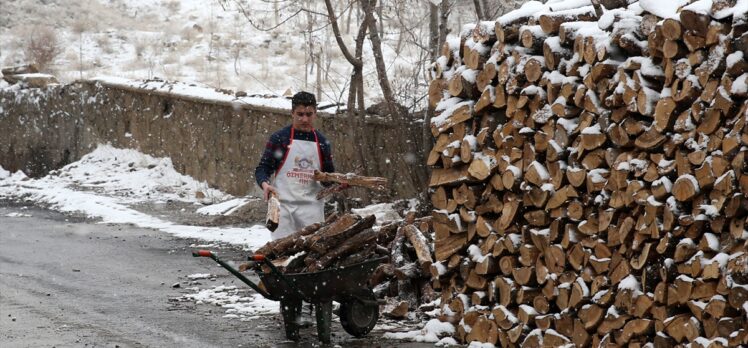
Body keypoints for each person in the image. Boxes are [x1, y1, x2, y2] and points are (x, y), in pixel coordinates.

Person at [255, 91, 335, 240]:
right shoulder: (280, 138)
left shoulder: (322, 142)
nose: (304, 119)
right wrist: (265, 185)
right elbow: (263, 168)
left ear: (315, 114)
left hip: (312, 209)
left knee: (310, 255)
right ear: (292, 113)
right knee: (281, 253)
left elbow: (328, 177)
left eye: (309, 114)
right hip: (283, 207)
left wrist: (339, 183)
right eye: (300, 114)